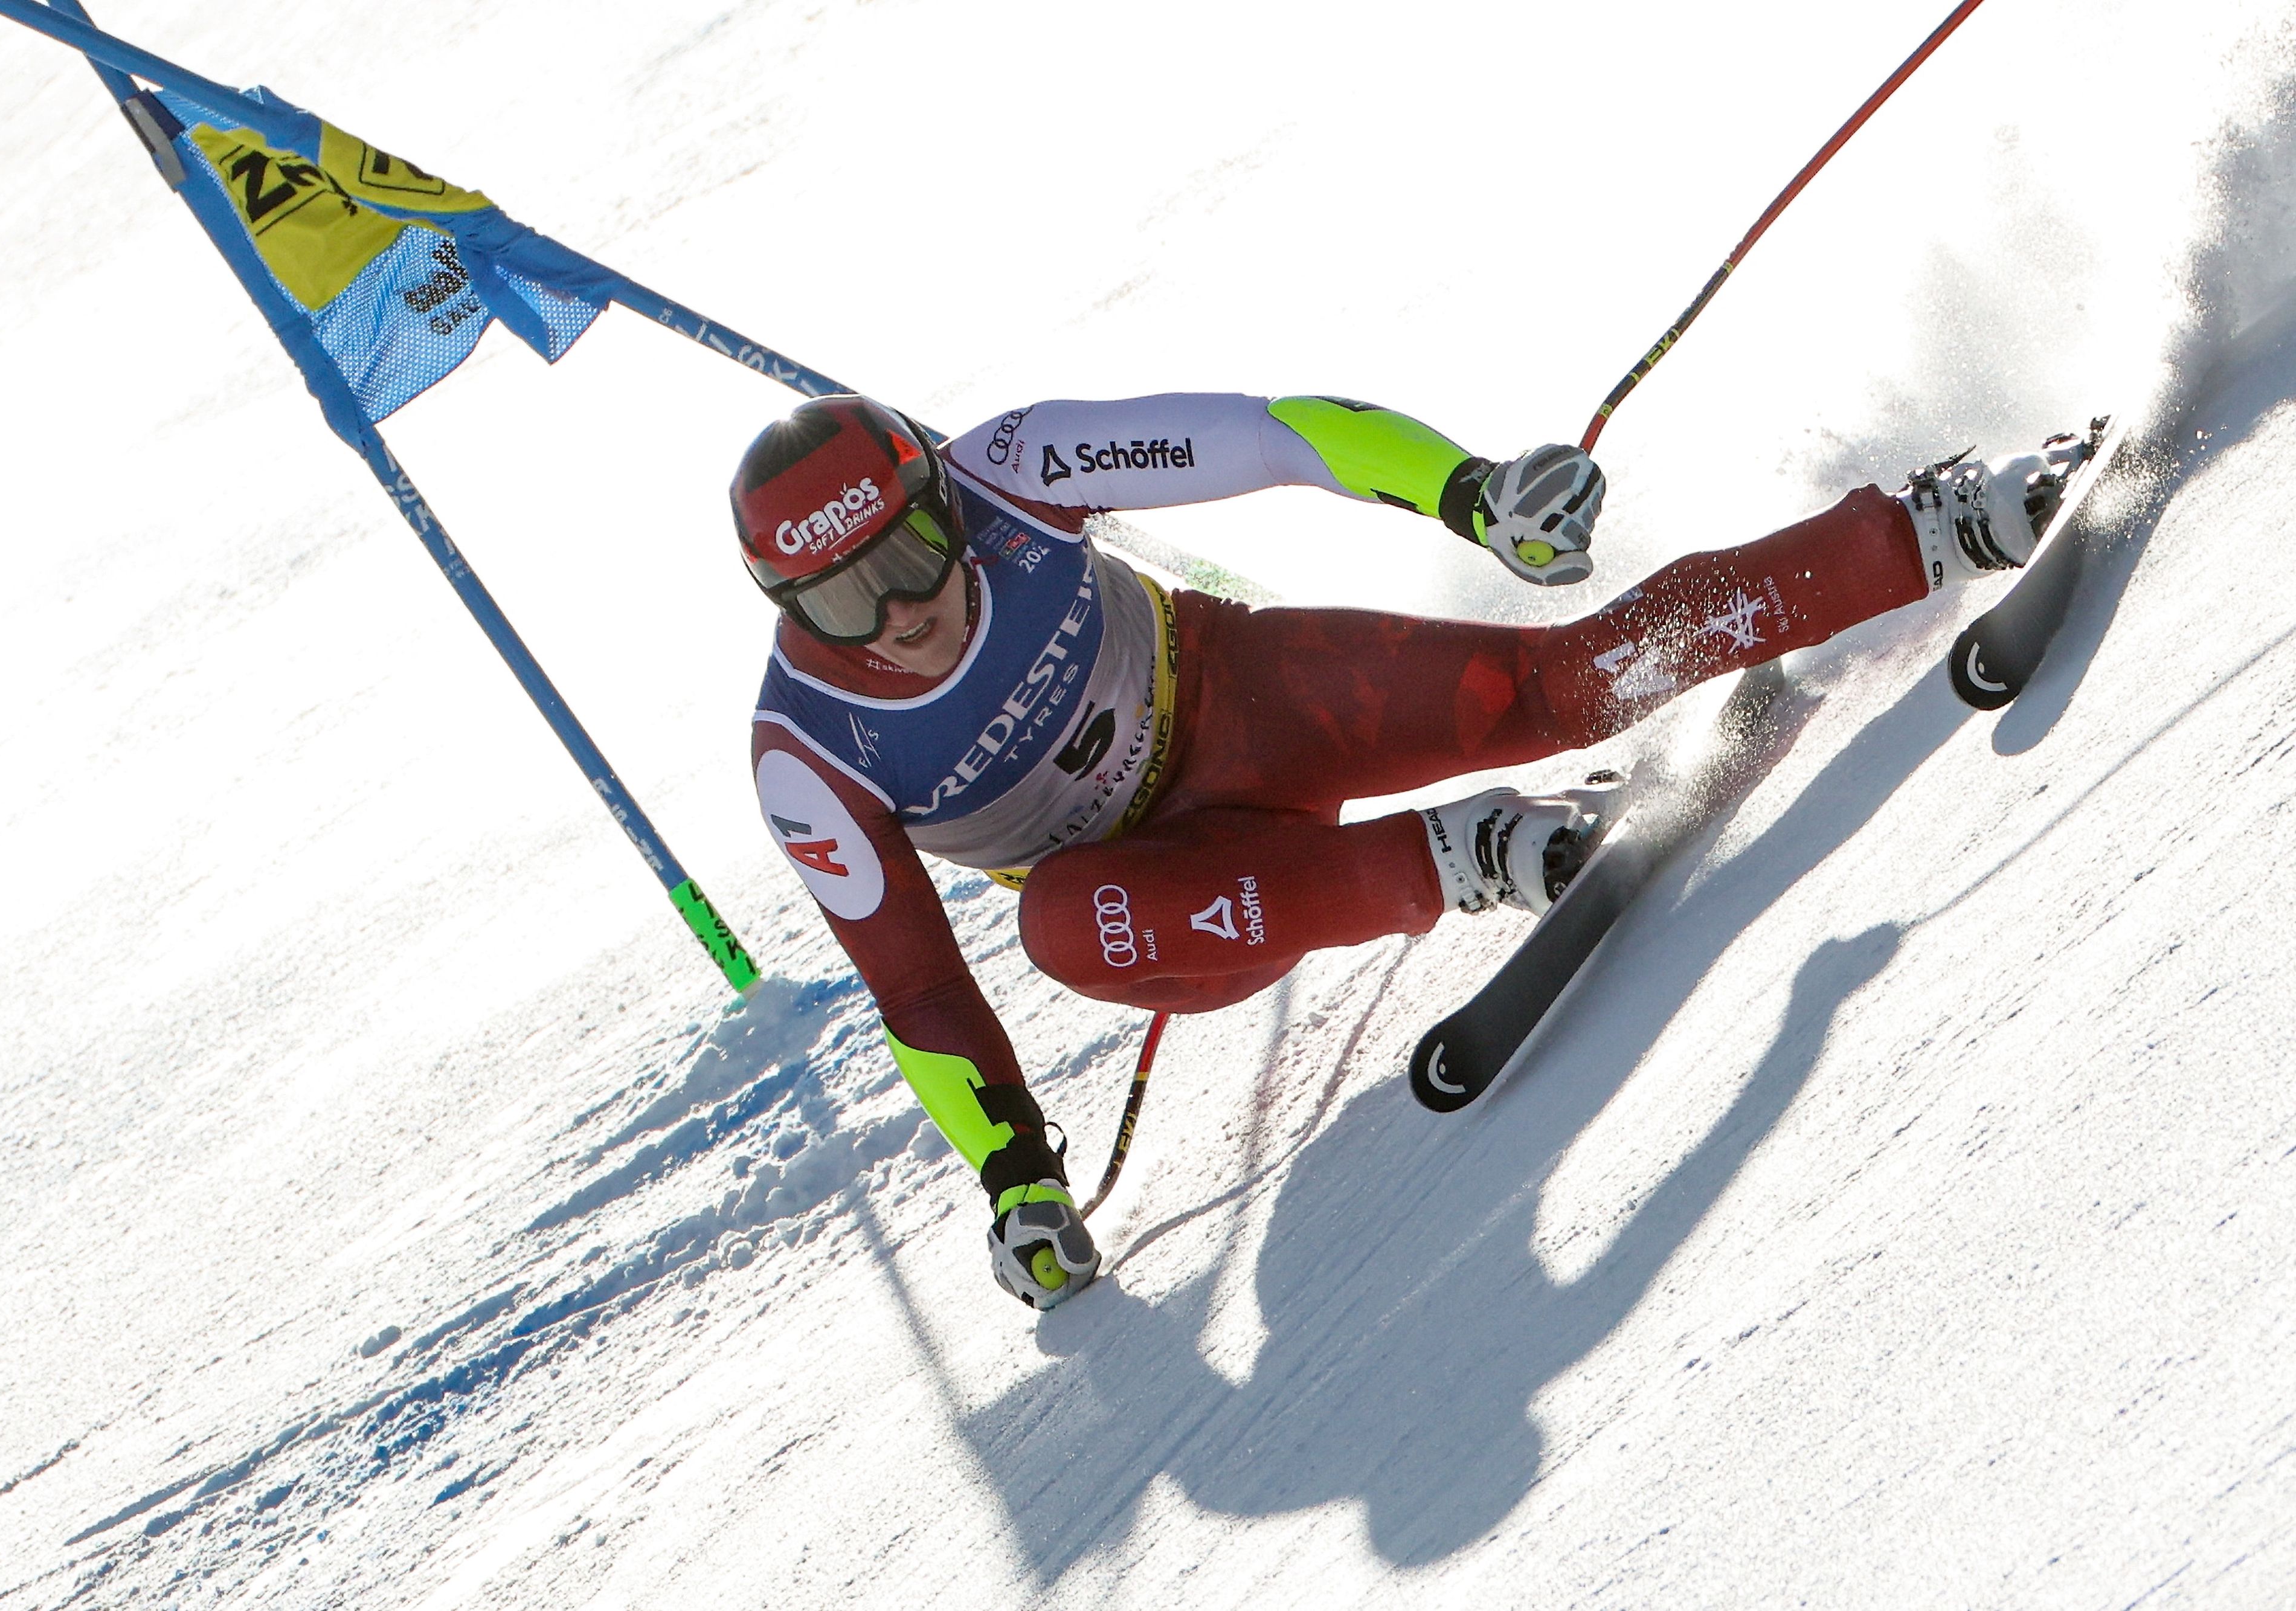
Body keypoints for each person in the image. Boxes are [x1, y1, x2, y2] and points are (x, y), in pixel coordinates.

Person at [736, 392, 2090, 1311]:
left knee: (1559, 686)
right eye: (842, 595)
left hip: (1241, 705)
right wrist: (1017, 1177)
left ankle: (1927, 526)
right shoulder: (807, 755)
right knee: (1056, 926)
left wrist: (1473, 494)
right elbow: (917, 992)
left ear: (934, 499)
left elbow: (1267, 436)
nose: (899, 609)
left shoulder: (1009, 471)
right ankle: (1466, 859)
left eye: (912, 553)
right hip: (1167, 908)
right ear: (788, 604)